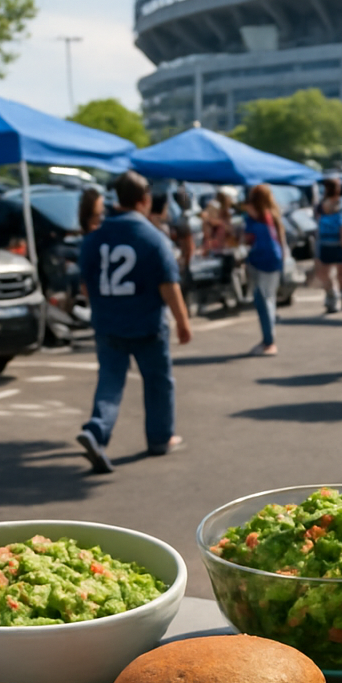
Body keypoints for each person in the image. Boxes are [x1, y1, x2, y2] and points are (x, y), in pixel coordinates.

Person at [76, 169, 192, 474]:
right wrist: (183, 321)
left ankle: (97, 430)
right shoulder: (152, 237)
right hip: (147, 323)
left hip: (107, 322)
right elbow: (168, 285)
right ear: (144, 200)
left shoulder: (93, 238)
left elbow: (85, 285)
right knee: (158, 381)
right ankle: (161, 437)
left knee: (110, 382)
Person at [244, 183, 285, 356]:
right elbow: (281, 240)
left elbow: (248, 238)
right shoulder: (273, 215)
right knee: (270, 299)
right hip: (274, 260)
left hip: (261, 260)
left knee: (262, 301)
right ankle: (269, 339)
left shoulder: (255, 217)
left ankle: (269, 341)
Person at [315, 177, 342, 311]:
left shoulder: (323, 204)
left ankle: (335, 298)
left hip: (327, 241)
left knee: (329, 273)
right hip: (336, 240)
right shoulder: (339, 204)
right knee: (341, 272)